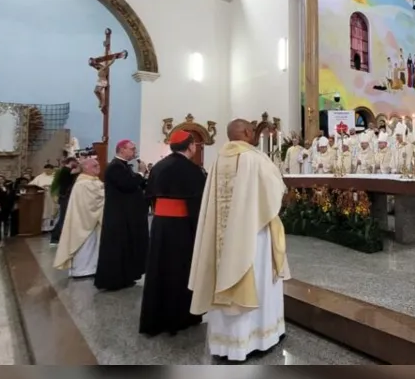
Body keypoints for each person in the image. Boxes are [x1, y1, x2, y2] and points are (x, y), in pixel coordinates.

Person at [189, 119, 290, 361]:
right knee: (259, 278)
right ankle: (259, 336)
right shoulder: (255, 159)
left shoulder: (217, 160)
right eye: (252, 131)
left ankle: (226, 343)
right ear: (246, 132)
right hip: (254, 235)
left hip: (223, 237)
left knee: (222, 272)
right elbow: (276, 192)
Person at [140, 130, 207, 337]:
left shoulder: (159, 166)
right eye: (194, 144)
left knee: (159, 268)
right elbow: (198, 203)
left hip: (160, 224)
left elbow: (150, 196)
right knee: (179, 269)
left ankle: (156, 317)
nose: (195, 147)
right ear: (189, 147)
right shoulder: (192, 170)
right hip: (181, 226)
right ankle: (179, 318)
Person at [94, 139, 149, 291]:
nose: (134, 151)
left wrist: (142, 177)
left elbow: (134, 186)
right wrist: (140, 173)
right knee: (117, 249)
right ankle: (114, 280)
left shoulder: (123, 166)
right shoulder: (115, 167)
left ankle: (126, 277)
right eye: (132, 148)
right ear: (122, 149)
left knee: (127, 248)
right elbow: (128, 185)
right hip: (118, 216)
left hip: (126, 216)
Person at [53, 158, 104, 278]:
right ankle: (81, 270)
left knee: (92, 244)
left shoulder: (92, 181)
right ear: (85, 168)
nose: (98, 167)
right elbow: (94, 201)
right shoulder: (83, 183)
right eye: (94, 166)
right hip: (84, 220)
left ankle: (91, 268)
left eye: (98, 165)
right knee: (85, 244)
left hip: (90, 220)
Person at [50, 157, 81, 244]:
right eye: (75, 162)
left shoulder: (66, 170)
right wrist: (81, 164)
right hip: (65, 197)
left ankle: (57, 236)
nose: (76, 163)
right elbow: (77, 170)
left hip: (65, 196)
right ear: (71, 162)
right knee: (63, 218)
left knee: (64, 217)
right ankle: (55, 237)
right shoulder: (65, 170)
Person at [30, 164, 58, 231]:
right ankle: (42, 228)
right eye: (46, 169)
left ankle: (51, 227)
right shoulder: (39, 177)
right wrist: (42, 188)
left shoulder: (55, 177)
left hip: (52, 197)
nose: (47, 171)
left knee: (51, 212)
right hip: (41, 197)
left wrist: (50, 186)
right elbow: (31, 185)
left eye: (49, 169)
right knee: (43, 212)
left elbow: (58, 186)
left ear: (52, 170)